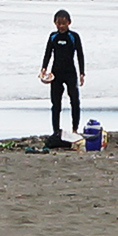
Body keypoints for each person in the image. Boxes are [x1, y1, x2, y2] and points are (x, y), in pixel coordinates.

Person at [40, 9, 86, 143]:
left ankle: (75, 129)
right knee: (56, 104)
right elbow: (48, 53)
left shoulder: (74, 36)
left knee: (75, 101)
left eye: (64, 23)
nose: (61, 26)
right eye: (58, 23)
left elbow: (80, 55)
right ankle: (55, 131)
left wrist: (82, 73)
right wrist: (44, 69)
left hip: (70, 73)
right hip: (56, 74)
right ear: (55, 23)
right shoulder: (53, 36)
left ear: (69, 23)